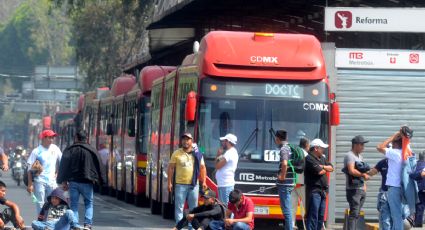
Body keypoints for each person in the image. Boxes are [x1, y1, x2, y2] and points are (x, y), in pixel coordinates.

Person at [57, 129, 105, 230]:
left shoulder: (70, 149)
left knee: (74, 204)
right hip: (87, 182)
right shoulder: (92, 150)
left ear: (76, 138)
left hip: (73, 182)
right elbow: (99, 165)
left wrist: (63, 180)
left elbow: (64, 166)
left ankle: (75, 224)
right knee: (89, 203)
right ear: (86, 138)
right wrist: (101, 180)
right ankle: (87, 225)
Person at [167, 132, 207, 224]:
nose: (185, 141)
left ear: (191, 141)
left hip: (194, 185)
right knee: (179, 207)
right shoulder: (176, 153)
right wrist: (169, 183)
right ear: (181, 141)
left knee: (193, 209)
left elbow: (202, 168)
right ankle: (179, 226)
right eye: (184, 139)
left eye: (188, 139)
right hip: (180, 185)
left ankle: (192, 227)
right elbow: (171, 168)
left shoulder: (198, 153)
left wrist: (204, 181)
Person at [27, 129, 62, 214]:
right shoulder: (36, 151)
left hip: (52, 181)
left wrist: (58, 173)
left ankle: (53, 222)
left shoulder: (55, 148)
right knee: (40, 203)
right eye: (49, 137)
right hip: (39, 181)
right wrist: (30, 184)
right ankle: (41, 223)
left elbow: (62, 162)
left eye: (52, 137)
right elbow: (29, 168)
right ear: (43, 138)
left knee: (55, 202)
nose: (51, 139)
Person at [377, 131, 404, 230]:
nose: (391, 145)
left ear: (396, 143)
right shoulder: (404, 152)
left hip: (394, 187)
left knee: (396, 215)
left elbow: (379, 147)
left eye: (392, 143)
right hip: (399, 187)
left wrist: (393, 136)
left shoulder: (395, 153)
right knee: (396, 213)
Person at [304, 139, 333, 230]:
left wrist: (323, 166)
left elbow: (331, 168)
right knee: (313, 216)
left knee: (321, 217)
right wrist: (324, 169)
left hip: (323, 191)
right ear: (316, 148)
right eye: (322, 148)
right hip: (314, 191)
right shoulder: (309, 158)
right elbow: (320, 172)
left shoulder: (322, 158)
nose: (323, 150)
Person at [343, 135, 370, 230]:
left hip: (361, 188)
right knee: (354, 213)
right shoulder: (350, 155)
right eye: (361, 144)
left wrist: (365, 186)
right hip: (353, 189)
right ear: (355, 145)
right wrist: (363, 175)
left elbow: (363, 172)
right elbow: (351, 170)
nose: (363, 147)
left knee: (357, 213)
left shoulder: (360, 157)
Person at [274, 129, 295, 230]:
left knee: (286, 210)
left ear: (278, 138)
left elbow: (285, 163)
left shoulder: (284, 149)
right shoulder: (289, 147)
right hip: (289, 183)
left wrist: (282, 176)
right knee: (287, 209)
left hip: (285, 184)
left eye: (275, 138)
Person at [215, 133, 238, 206]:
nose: (222, 143)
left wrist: (218, 155)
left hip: (225, 184)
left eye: (224, 141)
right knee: (225, 206)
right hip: (224, 184)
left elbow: (217, 166)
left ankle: (227, 218)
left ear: (228, 141)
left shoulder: (229, 153)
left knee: (226, 207)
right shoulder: (231, 152)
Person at [368, 158, 390, 230]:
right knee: (384, 217)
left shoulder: (399, 161)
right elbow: (372, 172)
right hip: (384, 193)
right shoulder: (383, 162)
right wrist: (362, 171)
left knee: (396, 217)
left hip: (396, 193)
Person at [411, 151, 425, 227]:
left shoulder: (415, 164)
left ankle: (418, 223)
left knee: (420, 206)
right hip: (422, 187)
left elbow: (411, 175)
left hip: (419, 188)